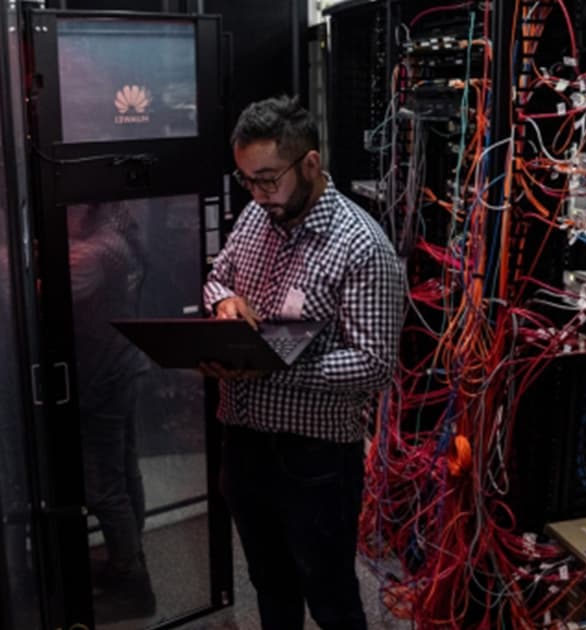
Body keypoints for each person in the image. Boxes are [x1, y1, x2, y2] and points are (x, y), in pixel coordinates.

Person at [202, 96, 405, 630]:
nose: (256, 194)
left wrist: (274, 366)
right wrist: (225, 303)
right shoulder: (256, 216)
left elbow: (374, 364)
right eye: (247, 180)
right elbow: (218, 277)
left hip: (315, 458)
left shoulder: (362, 246)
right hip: (243, 439)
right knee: (270, 585)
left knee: (331, 597)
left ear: (310, 164)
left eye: (268, 180)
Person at [68, 202, 156, 620]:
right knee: (123, 469)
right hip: (121, 364)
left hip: (103, 373)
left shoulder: (97, 248)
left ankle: (130, 579)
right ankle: (130, 557)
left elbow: (50, 286)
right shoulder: (119, 230)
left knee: (103, 485)